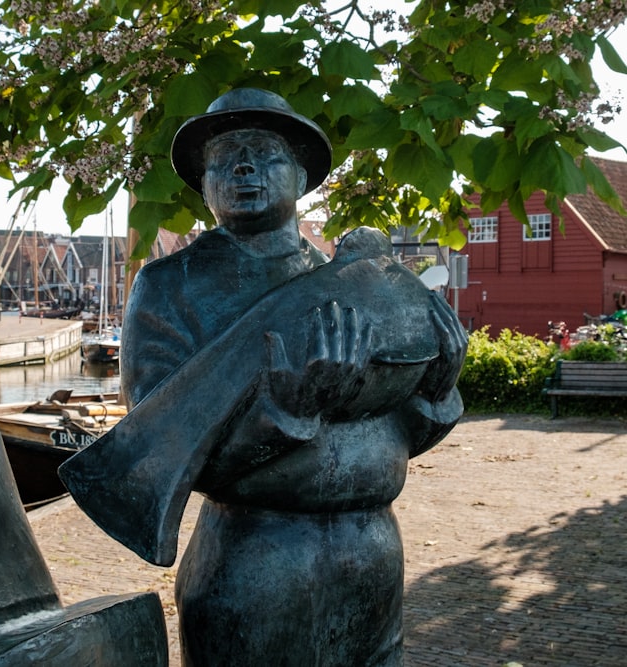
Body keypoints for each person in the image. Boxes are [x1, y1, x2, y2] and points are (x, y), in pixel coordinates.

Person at [59, 88, 467, 665]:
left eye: (264, 153)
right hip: (257, 561)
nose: (243, 167)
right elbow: (160, 451)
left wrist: (436, 392)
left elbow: (396, 429)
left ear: (302, 178)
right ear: (204, 185)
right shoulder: (170, 285)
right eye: (224, 157)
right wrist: (287, 413)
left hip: (373, 551)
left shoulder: (348, 281)